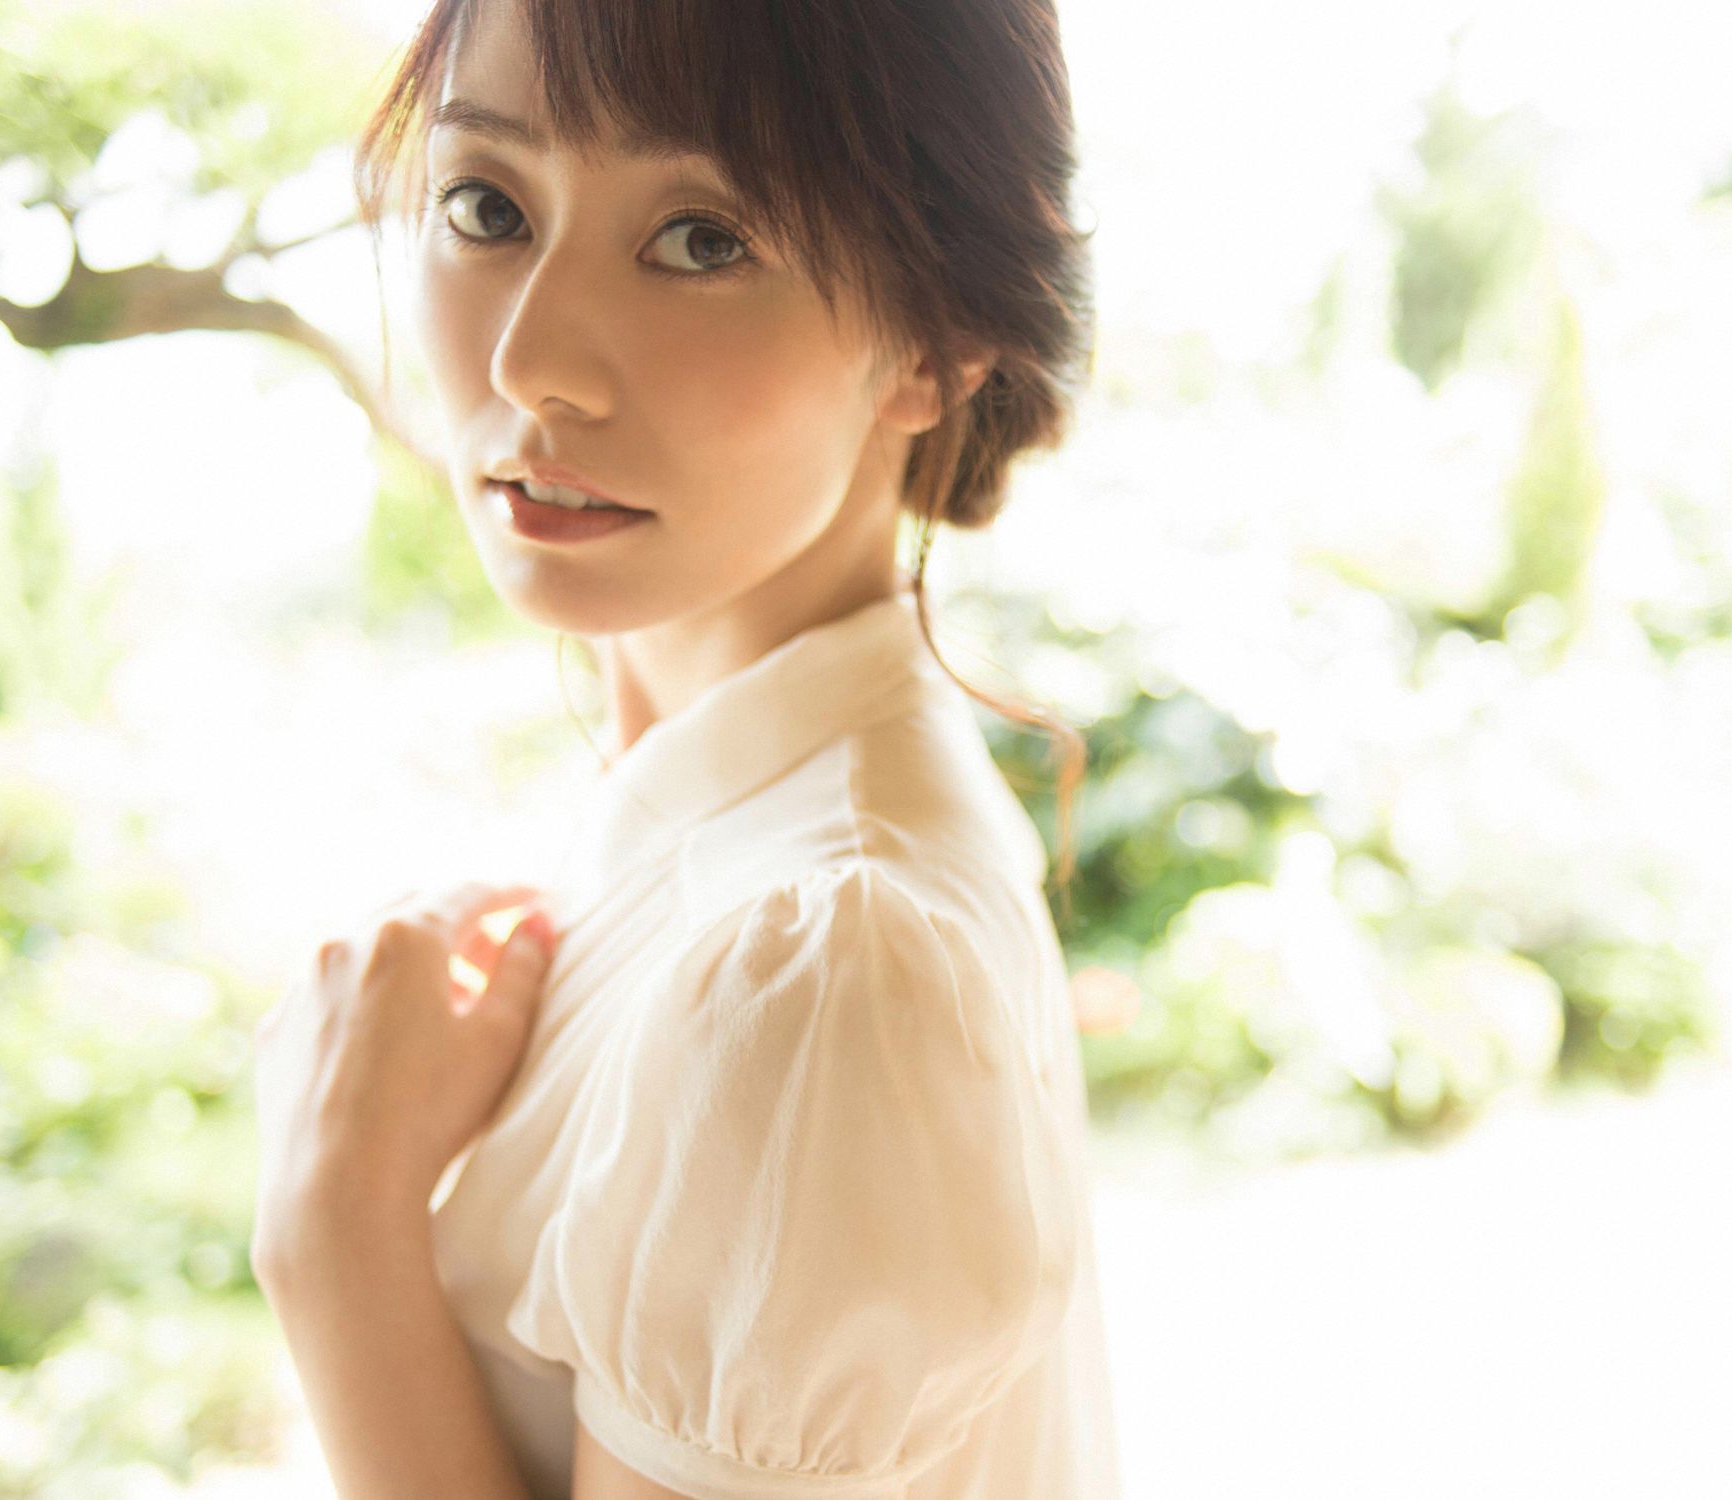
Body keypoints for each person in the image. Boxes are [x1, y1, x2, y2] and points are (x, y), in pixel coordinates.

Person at [246, 0, 1116, 1494]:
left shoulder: (828, 966)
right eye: (487, 207)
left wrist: (333, 1232)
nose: (532, 362)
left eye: (704, 240)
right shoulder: (726, 824)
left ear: (936, 341)